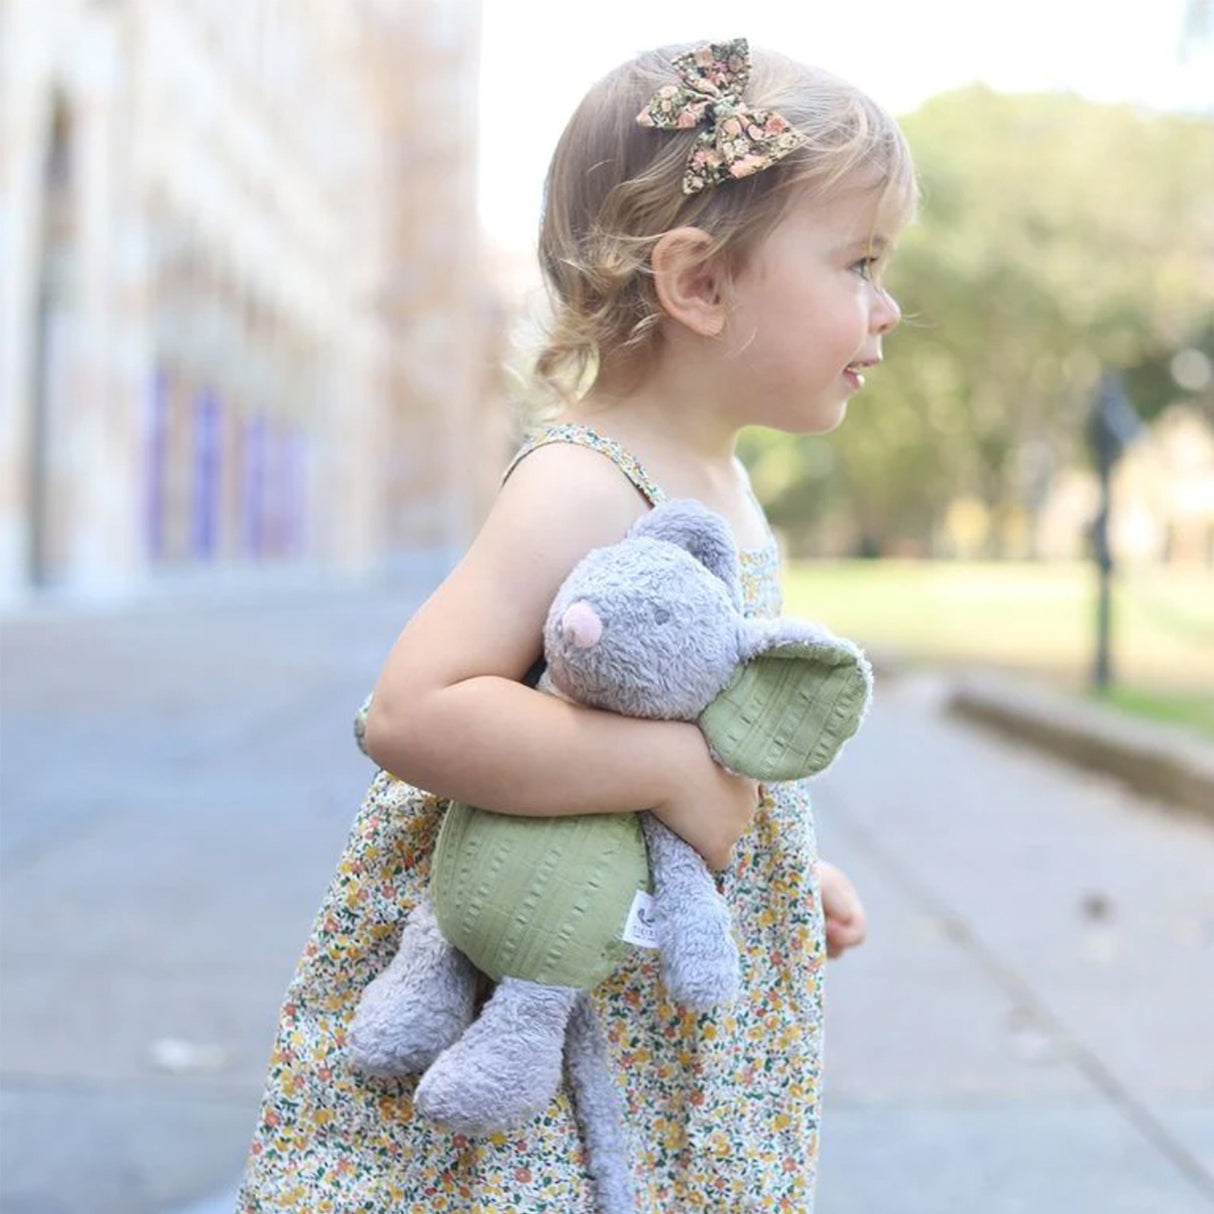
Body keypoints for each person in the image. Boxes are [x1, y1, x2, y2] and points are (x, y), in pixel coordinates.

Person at [238, 36, 913, 1213]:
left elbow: (687, 710)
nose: (887, 306)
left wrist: (775, 860)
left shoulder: (725, 484)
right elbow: (416, 709)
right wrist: (668, 773)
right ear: (698, 281)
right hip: (543, 1010)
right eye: (855, 261)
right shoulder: (583, 479)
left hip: (640, 975)